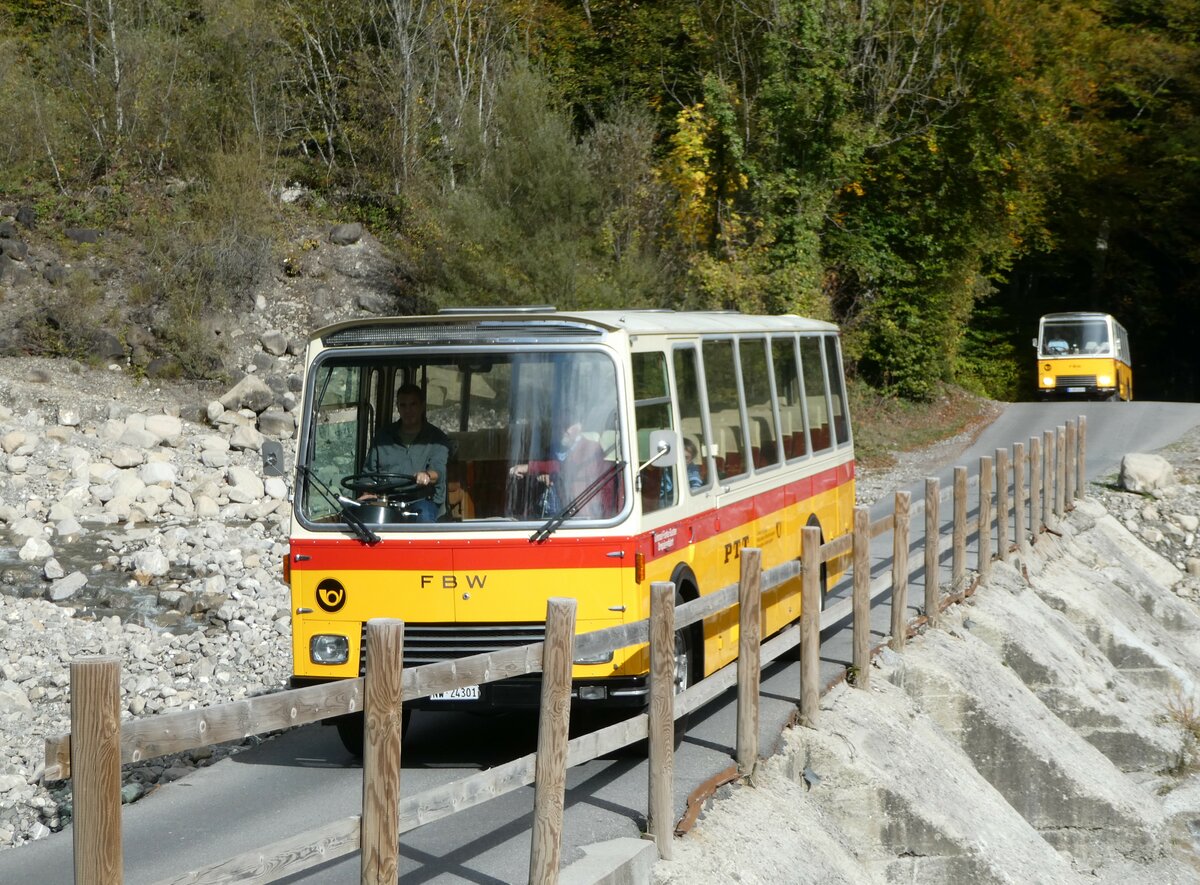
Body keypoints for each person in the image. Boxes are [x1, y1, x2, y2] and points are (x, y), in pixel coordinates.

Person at [362, 383, 452, 522]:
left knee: (424, 518)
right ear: (397, 407)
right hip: (387, 500)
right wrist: (368, 493)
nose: (408, 410)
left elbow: (438, 471)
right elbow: (369, 474)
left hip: (423, 500)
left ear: (422, 406)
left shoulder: (437, 439)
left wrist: (426, 476)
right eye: (403, 405)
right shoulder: (383, 437)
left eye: (413, 405)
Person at [511, 419, 615, 518]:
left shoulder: (591, 448)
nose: (564, 431)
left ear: (580, 426)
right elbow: (545, 473)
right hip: (548, 512)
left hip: (580, 512)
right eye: (560, 426)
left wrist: (530, 467)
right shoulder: (551, 449)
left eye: (568, 426)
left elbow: (566, 467)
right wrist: (543, 476)